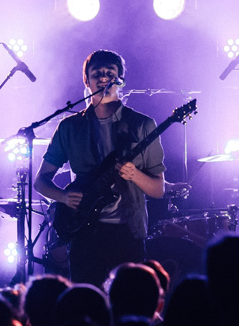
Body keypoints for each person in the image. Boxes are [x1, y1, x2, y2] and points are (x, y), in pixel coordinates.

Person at [34, 50, 166, 288]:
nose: (104, 77)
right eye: (97, 73)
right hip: (84, 233)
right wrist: (63, 197)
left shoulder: (143, 125)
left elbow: (158, 190)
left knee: (129, 306)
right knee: (86, 307)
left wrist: (135, 175)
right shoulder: (70, 127)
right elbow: (40, 181)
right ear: (86, 80)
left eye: (110, 73)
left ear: (121, 79)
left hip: (128, 232)